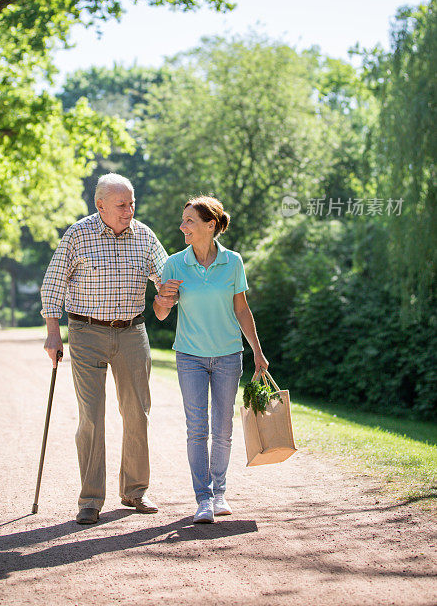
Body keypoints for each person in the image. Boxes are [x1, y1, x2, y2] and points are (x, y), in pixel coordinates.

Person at [41, 173, 168, 525]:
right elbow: (53, 283)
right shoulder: (78, 234)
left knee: (137, 412)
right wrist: (53, 332)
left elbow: (165, 275)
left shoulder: (144, 235)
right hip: (85, 331)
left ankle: (135, 491)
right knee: (92, 417)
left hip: (132, 331)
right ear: (100, 206)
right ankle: (90, 499)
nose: (129, 211)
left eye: (132, 203)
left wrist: (167, 293)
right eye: (121, 205)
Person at [154, 195, 269, 524]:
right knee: (197, 430)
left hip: (228, 355)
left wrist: (258, 352)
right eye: (183, 220)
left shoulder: (233, 262)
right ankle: (202, 498)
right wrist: (163, 298)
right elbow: (161, 314)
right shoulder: (175, 263)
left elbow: (242, 309)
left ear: (211, 225)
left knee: (223, 429)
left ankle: (220, 493)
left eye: (189, 221)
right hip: (189, 356)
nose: (182, 226)